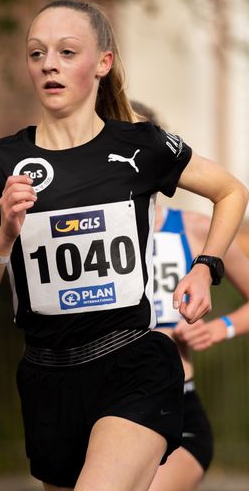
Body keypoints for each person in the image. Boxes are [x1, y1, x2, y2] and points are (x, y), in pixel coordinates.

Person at [0, 0, 248, 491]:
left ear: (103, 63)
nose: (49, 63)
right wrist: (5, 234)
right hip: (47, 379)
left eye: (67, 52)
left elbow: (231, 191)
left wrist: (205, 267)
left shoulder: (141, 146)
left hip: (133, 362)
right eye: (36, 53)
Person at [131, 100, 249, 491]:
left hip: (176, 408)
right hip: (102, 405)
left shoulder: (197, 230)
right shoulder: (86, 237)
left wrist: (220, 329)